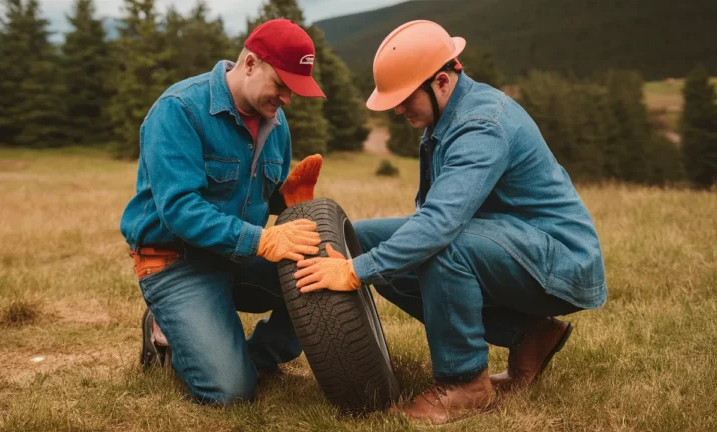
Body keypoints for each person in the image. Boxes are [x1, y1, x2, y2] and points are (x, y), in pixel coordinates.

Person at [294, 20, 607, 424]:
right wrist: (362, 257)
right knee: (365, 239)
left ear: (441, 80)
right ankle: (528, 335)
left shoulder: (482, 125)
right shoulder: (444, 117)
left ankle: (465, 384)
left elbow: (440, 224)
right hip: (508, 245)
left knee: (440, 244)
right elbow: (428, 213)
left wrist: (356, 271)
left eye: (405, 98)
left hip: (560, 262)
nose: (398, 108)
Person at [119, 18, 327, 405]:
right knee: (230, 391)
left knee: (319, 273)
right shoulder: (178, 109)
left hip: (239, 255)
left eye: (294, 91)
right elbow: (179, 210)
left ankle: (257, 356)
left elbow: (250, 198)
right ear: (249, 64)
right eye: (281, 85)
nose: (286, 100)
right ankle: (167, 330)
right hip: (176, 262)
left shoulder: (275, 124)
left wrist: (286, 200)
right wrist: (261, 239)